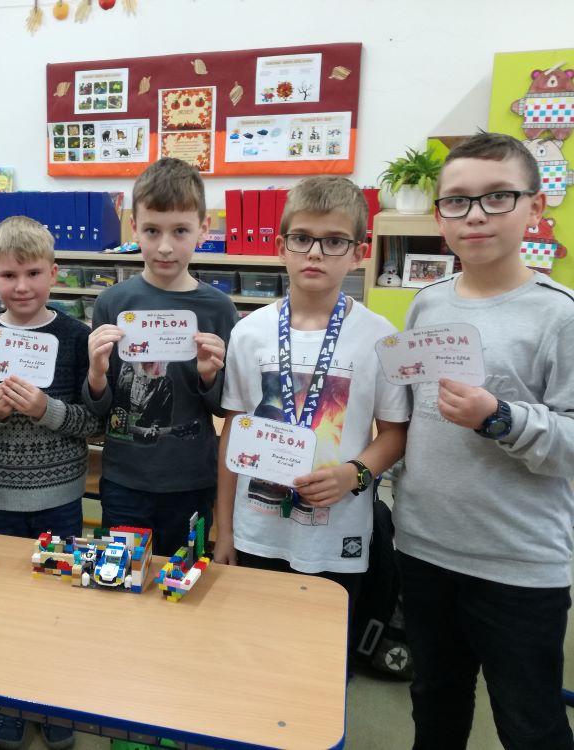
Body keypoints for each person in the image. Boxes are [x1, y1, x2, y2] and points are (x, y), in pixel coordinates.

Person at [393, 132, 574, 749]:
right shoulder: (426, 304)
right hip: (423, 547)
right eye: (457, 200)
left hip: (517, 561)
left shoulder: (559, 315)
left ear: (535, 206)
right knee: (434, 701)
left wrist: (500, 418)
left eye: (498, 197)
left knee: (530, 722)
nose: (475, 215)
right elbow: (412, 414)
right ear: (439, 215)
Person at [213, 176, 409, 633]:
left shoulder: (380, 336)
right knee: (250, 644)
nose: (315, 253)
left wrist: (353, 474)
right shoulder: (249, 332)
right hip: (256, 531)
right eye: (302, 238)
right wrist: (225, 529)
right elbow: (233, 434)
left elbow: (395, 434)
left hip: (336, 538)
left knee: (324, 651)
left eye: (334, 241)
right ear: (281, 247)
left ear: (359, 252)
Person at [0, 216, 100, 750]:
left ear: (54, 273)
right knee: (5, 608)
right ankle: (10, 703)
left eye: (33, 273)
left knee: (60, 603)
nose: (21, 286)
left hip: (60, 499)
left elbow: (95, 423)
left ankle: (56, 702)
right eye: (9, 275)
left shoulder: (75, 337)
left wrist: (46, 409)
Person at [83, 157, 235, 557]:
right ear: (134, 227)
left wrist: (208, 376)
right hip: (125, 478)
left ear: (203, 229)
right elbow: (98, 408)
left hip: (191, 479)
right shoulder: (113, 302)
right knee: (122, 574)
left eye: (180, 230)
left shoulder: (218, 308)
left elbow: (223, 407)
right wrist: (96, 373)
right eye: (152, 230)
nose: (165, 246)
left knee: (184, 575)